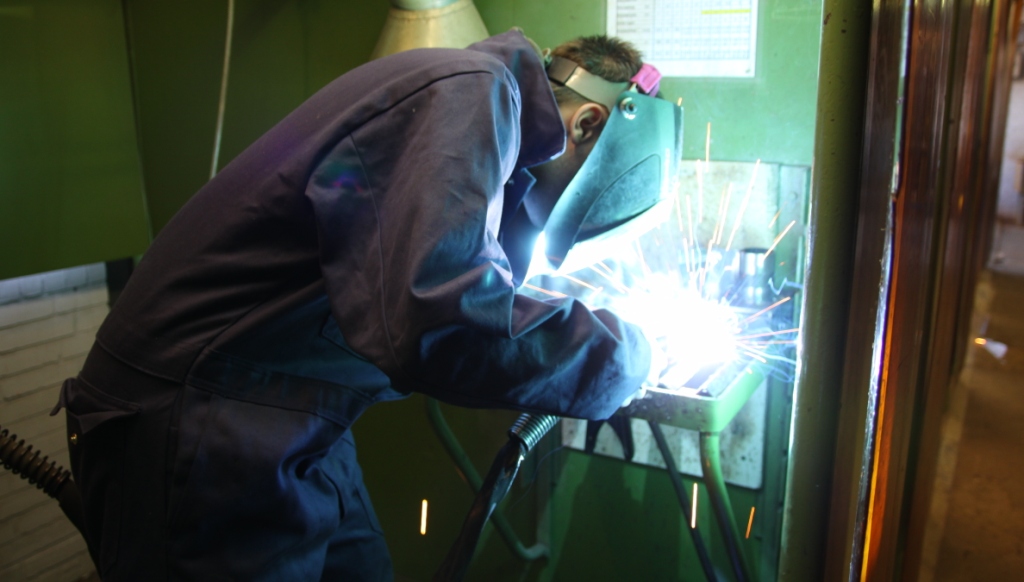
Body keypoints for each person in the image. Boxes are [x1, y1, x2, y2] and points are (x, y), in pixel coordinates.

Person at [55, 29, 666, 581]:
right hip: (200, 417)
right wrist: (623, 359)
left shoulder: (483, 115)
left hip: (295, 415)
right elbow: (442, 317)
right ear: (586, 123)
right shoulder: (470, 96)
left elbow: (453, 268)